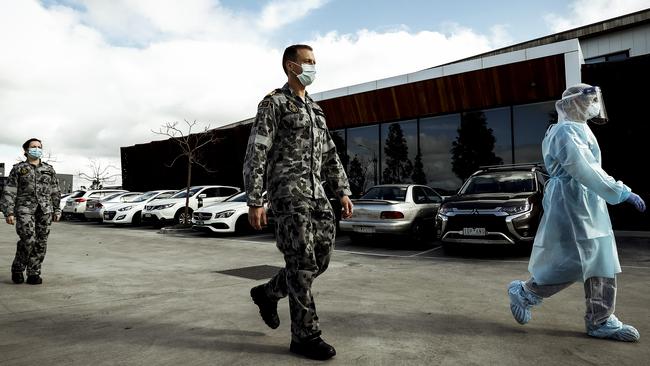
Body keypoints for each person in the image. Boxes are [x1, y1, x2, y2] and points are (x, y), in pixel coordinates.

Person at [507, 83, 646, 342]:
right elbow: (583, 168)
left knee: (601, 259)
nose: (593, 106)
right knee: (575, 261)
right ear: (573, 103)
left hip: (587, 201)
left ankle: (601, 319)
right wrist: (621, 191)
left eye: (595, 100)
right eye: (589, 100)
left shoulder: (580, 128)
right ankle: (526, 293)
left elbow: (588, 170)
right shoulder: (565, 131)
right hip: (572, 202)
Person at [243, 44, 353, 360]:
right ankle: (305, 335)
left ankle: (267, 293)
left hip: (318, 194)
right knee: (301, 263)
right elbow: (258, 151)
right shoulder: (273, 104)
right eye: (308, 62)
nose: (313, 67)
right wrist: (255, 198)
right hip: (288, 194)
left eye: (315, 62)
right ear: (291, 66)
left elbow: (330, 154)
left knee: (320, 260)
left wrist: (342, 190)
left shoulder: (316, 110)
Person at [1, 138, 61, 285]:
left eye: (39, 147)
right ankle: (18, 268)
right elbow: (10, 191)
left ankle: (34, 272)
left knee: (41, 242)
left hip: (45, 210)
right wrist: (8, 212)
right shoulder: (18, 169)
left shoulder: (49, 169)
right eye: (33, 147)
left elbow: (55, 190)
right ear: (26, 151)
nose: (36, 149)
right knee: (28, 240)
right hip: (24, 209)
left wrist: (57, 209)